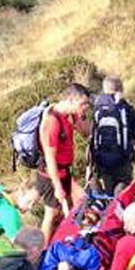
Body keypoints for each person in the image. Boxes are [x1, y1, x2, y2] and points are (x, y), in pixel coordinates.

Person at [37, 83, 91, 244]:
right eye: (82, 104)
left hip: (65, 171)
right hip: (50, 174)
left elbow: (85, 131)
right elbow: (49, 158)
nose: (85, 107)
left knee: (79, 202)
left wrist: (82, 115)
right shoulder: (52, 121)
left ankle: (66, 241)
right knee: (51, 214)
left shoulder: (70, 115)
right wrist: (57, 187)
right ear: (71, 100)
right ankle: (42, 253)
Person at [89, 76, 135, 194]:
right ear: (121, 89)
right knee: (123, 189)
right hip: (123, 159)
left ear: (104, 88)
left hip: (100, 159)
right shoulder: (127, 109)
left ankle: (108, 207)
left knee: (108, 189)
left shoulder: (97, 108)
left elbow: (91, 133)